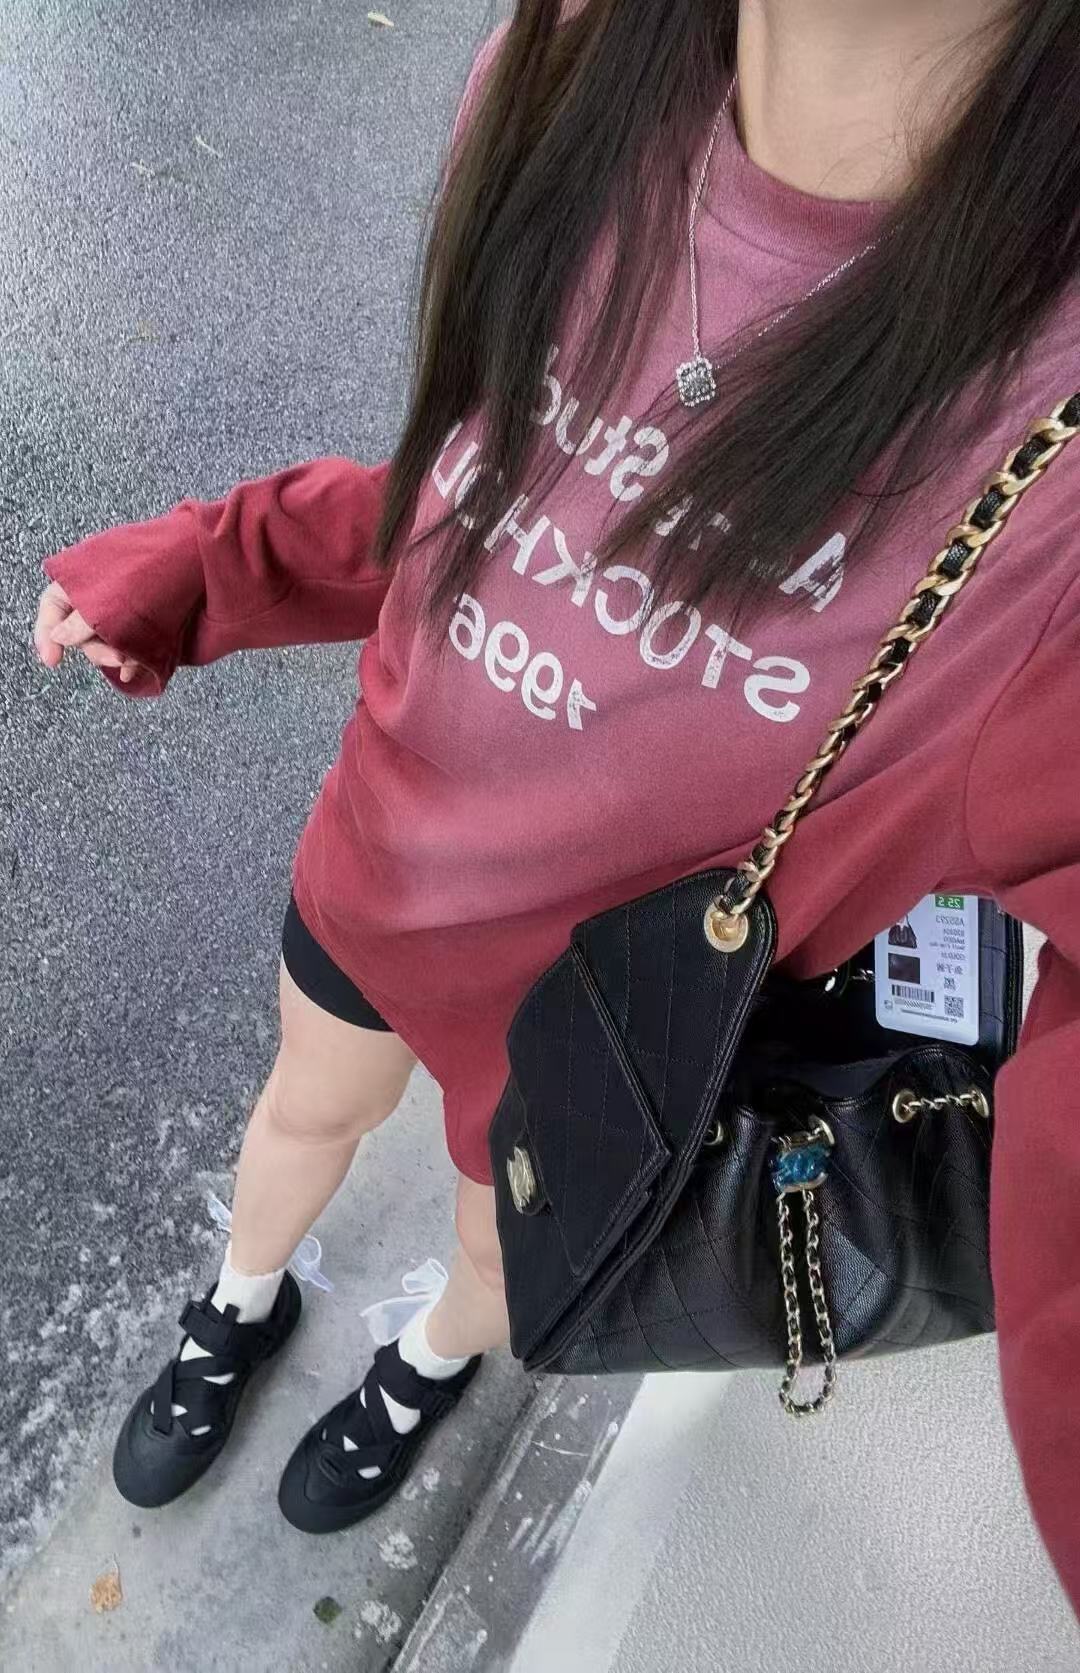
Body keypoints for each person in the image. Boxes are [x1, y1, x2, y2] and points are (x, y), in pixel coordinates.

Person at [30, 0, 1080, 1604]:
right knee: (301, 1113)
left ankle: (422, 1370)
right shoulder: (570, 63)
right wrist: (210, 565)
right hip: (376, 874)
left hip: (607, 1045)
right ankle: (236, 1301)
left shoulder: (1052, 448)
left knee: (493, 1245)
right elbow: (486, 505)